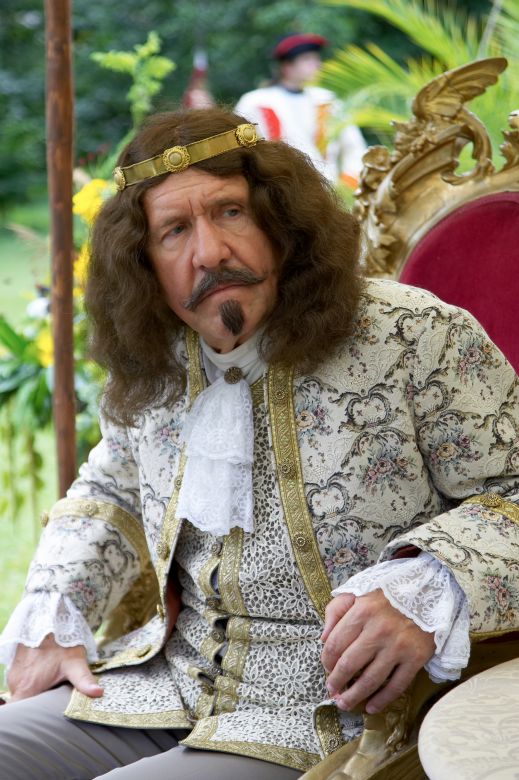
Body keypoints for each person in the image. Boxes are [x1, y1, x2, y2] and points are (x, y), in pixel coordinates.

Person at [0, 106, 518, 780]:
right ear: (144, 263)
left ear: (280, 220)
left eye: (230, 212)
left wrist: (428, 583)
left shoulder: (414, 334)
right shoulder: (156, 360)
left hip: (339, 716)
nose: (210, 252)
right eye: (174, 231)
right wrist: (56, 610)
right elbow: (112, 485)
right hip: (163, 684)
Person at [235, 32, 367, 186]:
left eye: (317, 58)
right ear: (287, 66)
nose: (317, 64)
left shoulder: (327, 100)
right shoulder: (256, 102)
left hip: (328, 191)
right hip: (278, 191)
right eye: (307, 59)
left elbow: (354, 148)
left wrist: (349, 184)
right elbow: (240, 149)